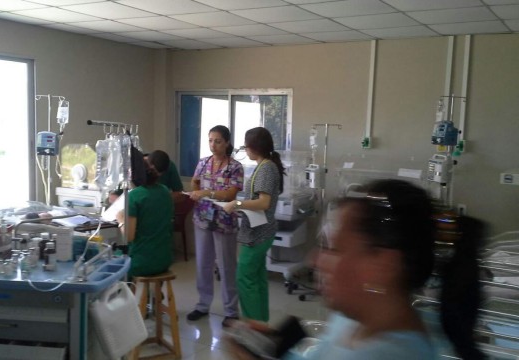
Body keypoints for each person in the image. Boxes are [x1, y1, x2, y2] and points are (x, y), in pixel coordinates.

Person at [228, 179, 484, 360]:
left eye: (332, 248)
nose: (314, 260)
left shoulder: (393, 355)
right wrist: (275, 349)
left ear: (383, 265)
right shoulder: (354, 318)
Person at [223, 127, 285, 323]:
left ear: (253, 147)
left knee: (245, 279)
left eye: (246, 145)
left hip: (258, 234)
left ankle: (252, 326)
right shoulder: (264, 166)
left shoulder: (266, 167)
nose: (245, 149)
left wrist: (237, 204)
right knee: (257, 280)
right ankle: (260, 323)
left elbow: (264, 202)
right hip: (258, 230)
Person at [188, 125, 244, 326]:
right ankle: (203, 305)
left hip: (224, 221)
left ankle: (231, 311)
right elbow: (195, 182)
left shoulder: (235, 167)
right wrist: (196, 191)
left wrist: (207, 193)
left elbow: (230, 194)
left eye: (218, 141)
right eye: (210, 140)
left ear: (227, 142)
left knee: (227, 266)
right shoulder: (203, 163)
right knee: (203, 263)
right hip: (202, 219)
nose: (213, 145)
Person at [116, 150, 174, 278]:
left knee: (110, 259)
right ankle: (149, 295)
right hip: (164, 259)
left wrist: (120, 219)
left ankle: (127, 296)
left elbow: (129, 236)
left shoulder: (135, 196)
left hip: (141, 262)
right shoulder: (164, 191)